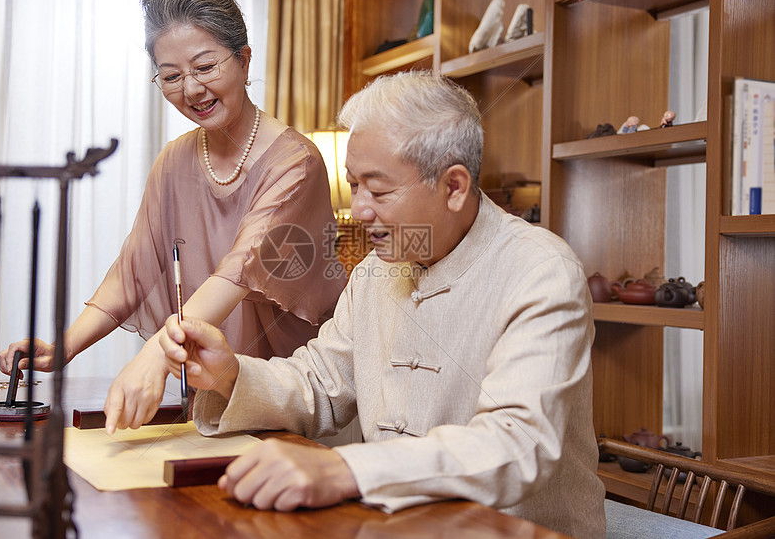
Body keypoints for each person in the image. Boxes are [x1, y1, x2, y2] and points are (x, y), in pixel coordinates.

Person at [160, 72, 607, 538]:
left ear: (454, 186)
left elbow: (518, 443)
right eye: (354, 185)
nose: (359, 210)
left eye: (379, 189)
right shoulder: (377, 270)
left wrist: (344, 471)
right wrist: (230, 373)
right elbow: (320, 381)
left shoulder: (542, 271)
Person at [0, 0, 346, 433]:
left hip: (291, 394)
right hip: (213, 390)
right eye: (172, 77)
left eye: (205, 67)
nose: (193, 90)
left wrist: (155, 356)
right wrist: (64, 346)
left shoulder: (294, 162)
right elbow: (134, 269)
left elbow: (237, 272)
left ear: (243, 59)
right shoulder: (176, 160)